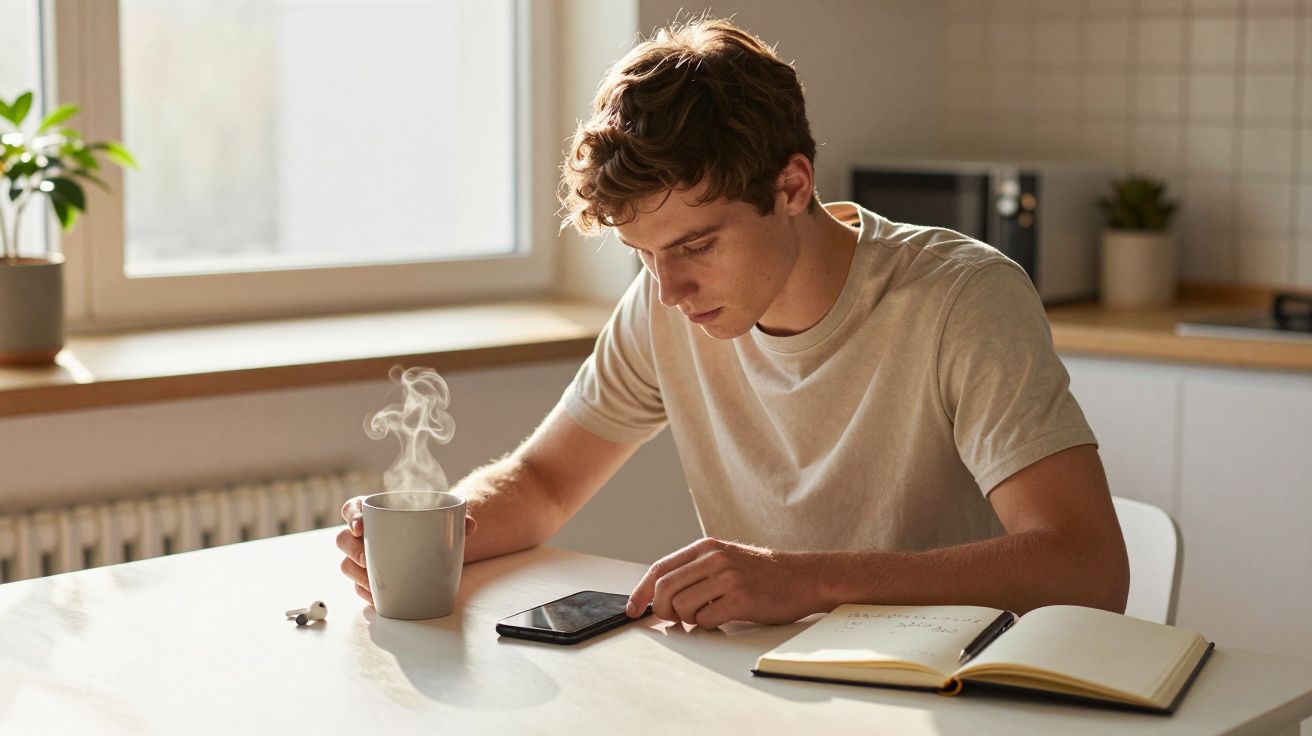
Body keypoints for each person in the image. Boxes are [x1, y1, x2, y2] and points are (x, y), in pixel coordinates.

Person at [336, 17, 1129, 629]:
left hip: (955, 691)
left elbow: (1088, 566)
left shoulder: (963, 298)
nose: (671, 289)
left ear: (791, 185)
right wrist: (440, 537)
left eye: (696, 245)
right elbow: (542, 483)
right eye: (644, 255)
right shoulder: (662, 303)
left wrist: (804, 579)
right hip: (771, 682)